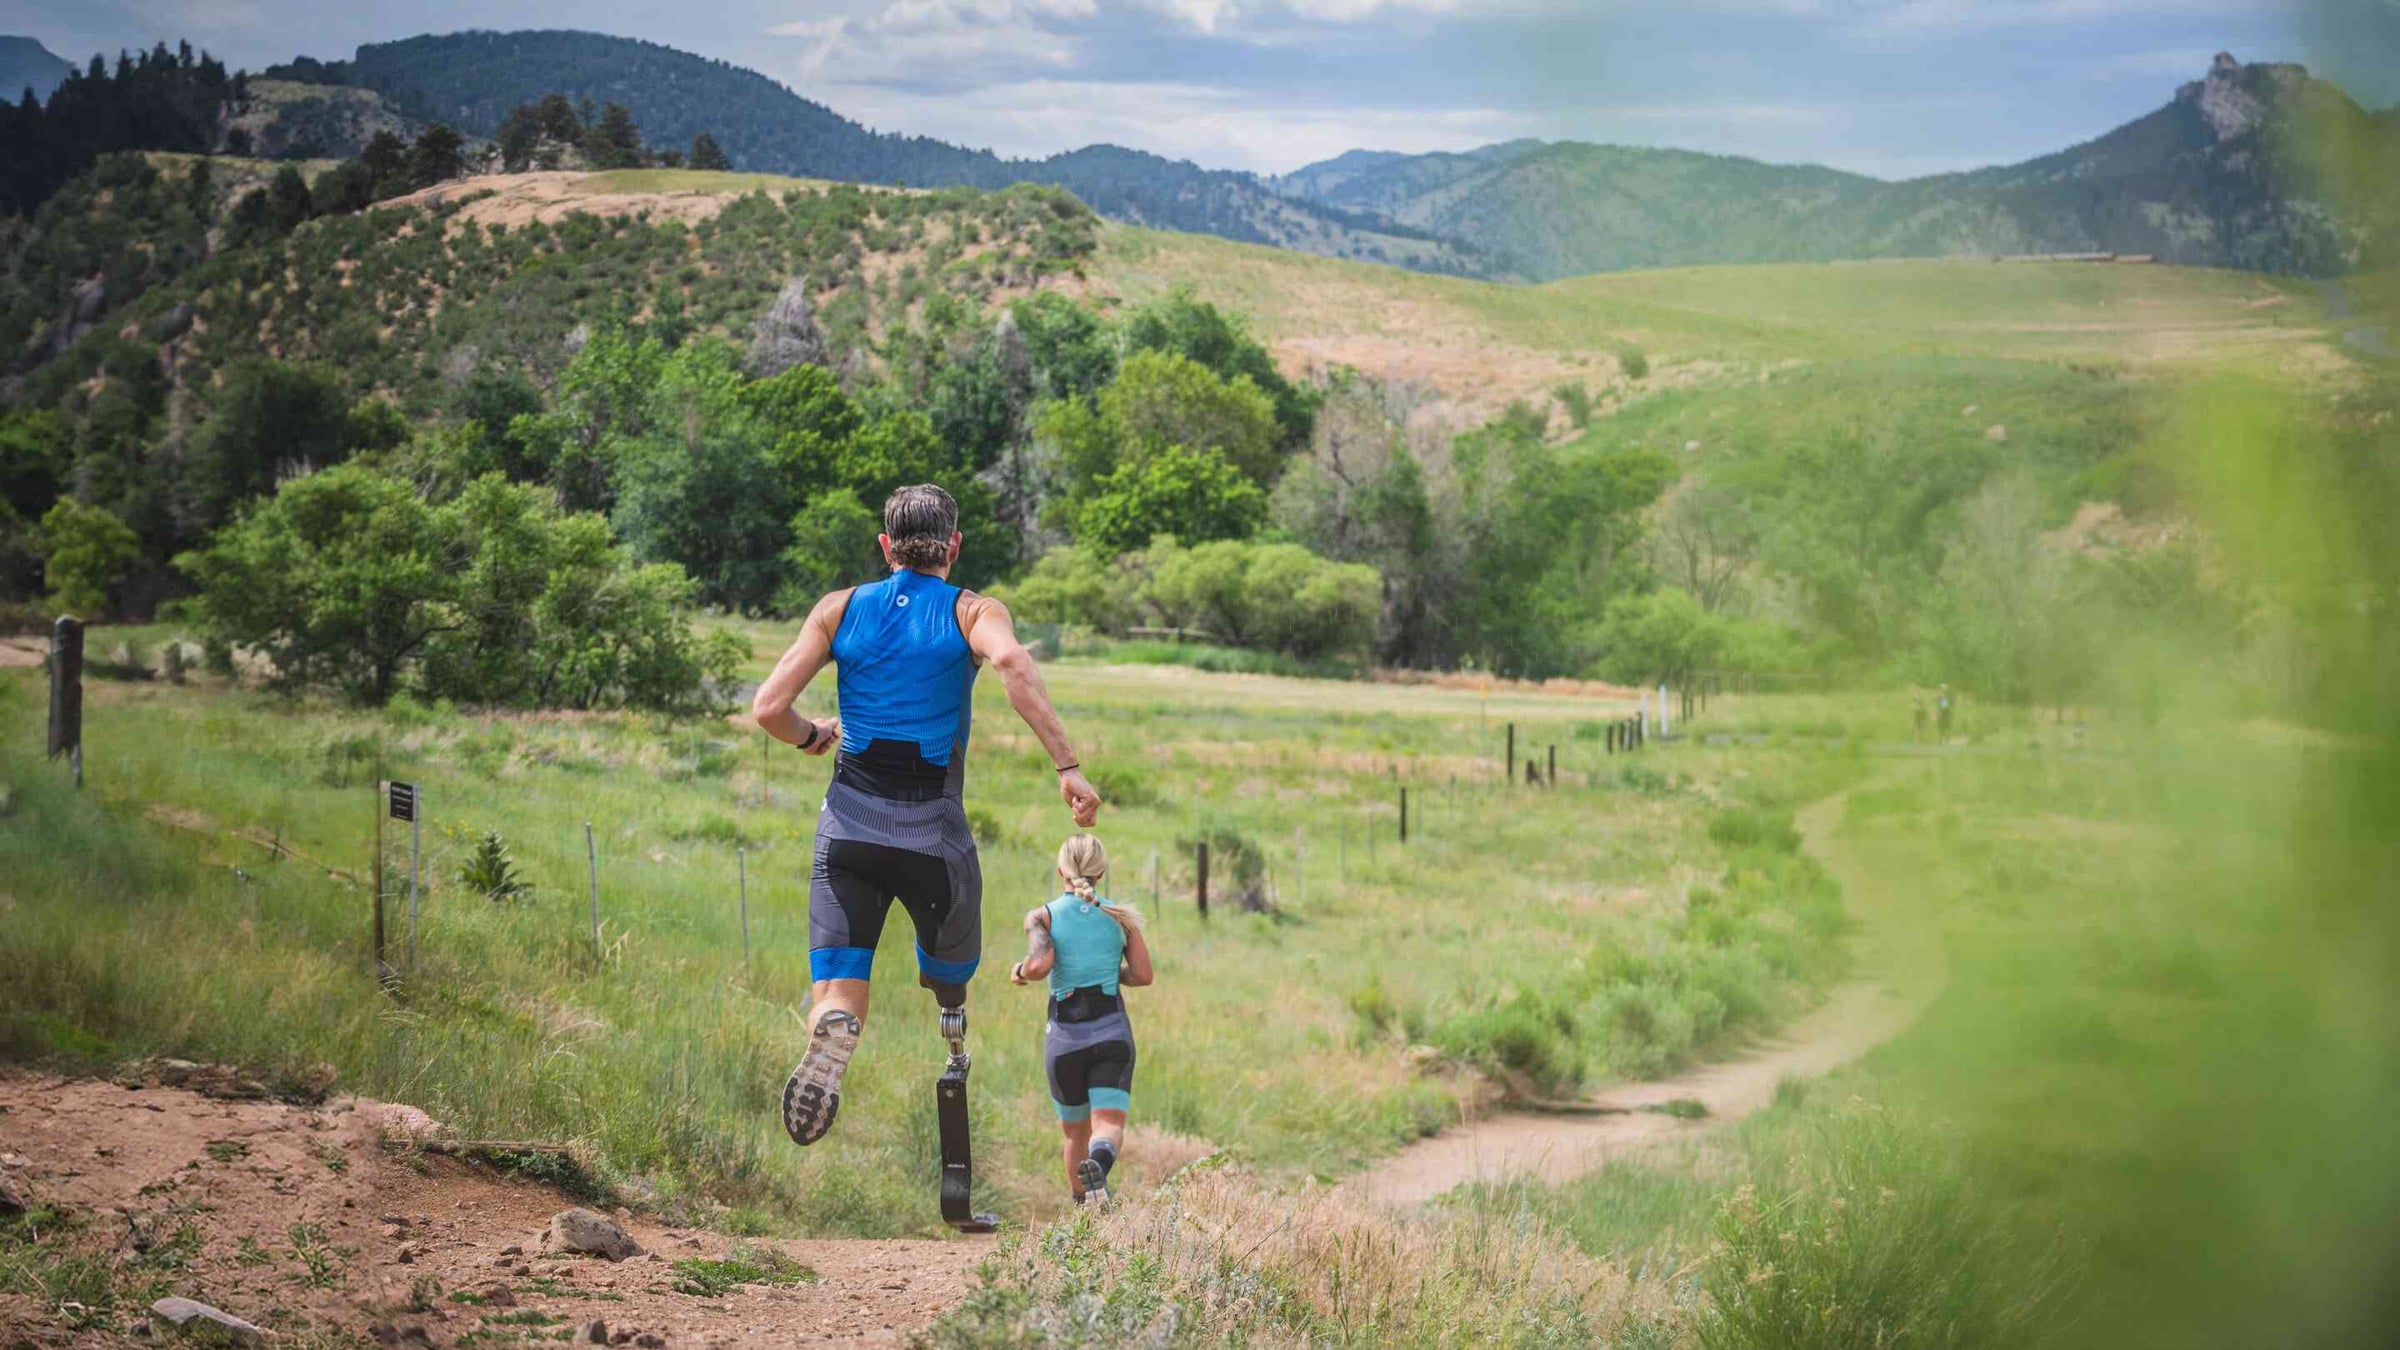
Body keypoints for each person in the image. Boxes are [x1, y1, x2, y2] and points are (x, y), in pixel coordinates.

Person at [751, 484, 1102, 1148]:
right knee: (951, 971)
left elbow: (769, 708)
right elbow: (1011, 661)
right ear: (955, 545)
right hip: (932, 842)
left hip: (847, 831)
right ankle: (949, 1011)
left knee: (836, 985)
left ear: (886, 547)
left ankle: (834, 1028)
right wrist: (1067, 766)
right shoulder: (972, 610)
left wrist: (810, 735)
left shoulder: (838, 609)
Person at [1011, 834, 1153, 1206]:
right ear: (1102, 871)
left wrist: (1020, 970)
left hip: (1064, 1038)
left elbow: (1040, 966)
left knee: (1074, 1133)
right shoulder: (1120, 916)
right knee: (1108, 1124)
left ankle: (1083, 1212)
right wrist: (1108, 969)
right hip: (1111, 1032)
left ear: (1061, 870)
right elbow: (1142, 975)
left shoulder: (1042, 916)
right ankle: (1100, 1164)